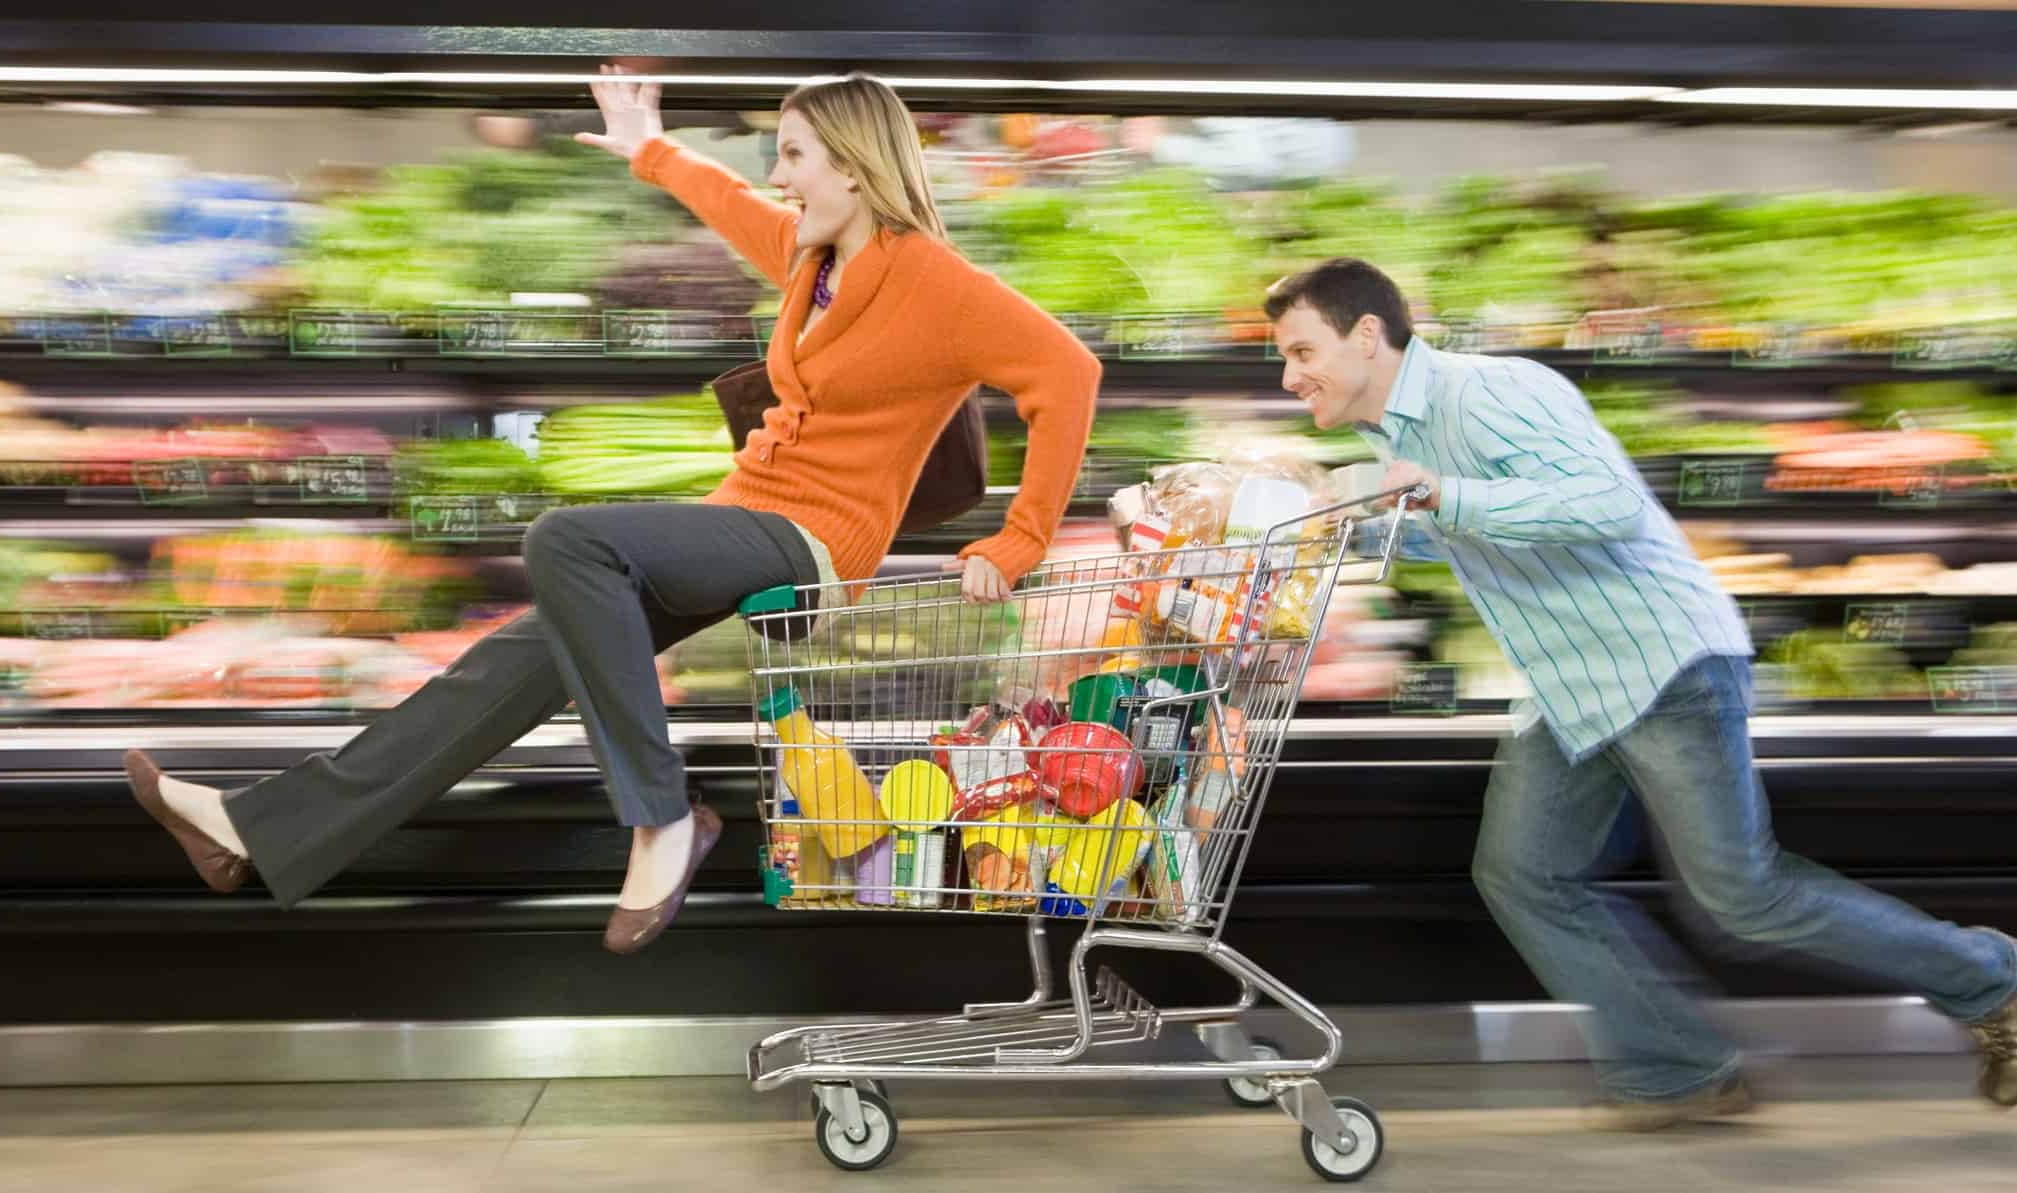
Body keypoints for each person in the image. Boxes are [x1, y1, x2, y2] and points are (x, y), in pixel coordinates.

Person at [124, 68, 1100, 956]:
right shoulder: (815, 262)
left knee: (569, 537)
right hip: (746, 514)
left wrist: (1021, 539)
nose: (779, 171)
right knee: (508, 662)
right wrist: (648, 145)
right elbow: (732, 206)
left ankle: (666, 814)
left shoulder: (932, 277)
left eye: (795, 153)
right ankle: (258, 829)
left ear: (853, 166)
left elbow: (1069, 370)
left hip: (815, 541)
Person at [1265, 257, 2017, 1129]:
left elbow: (1610, 503)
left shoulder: (1490, 390)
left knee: (1743, 896)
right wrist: (1349, 522)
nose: (1289, 377)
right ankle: (1677, 1068)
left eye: (1299, 349)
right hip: (1573, 687)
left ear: (1365, 335)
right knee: (1525, 874)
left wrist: (1440, 490)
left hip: (1659, 665)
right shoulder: (1393, 436)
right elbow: (1482, 533)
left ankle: (1992, 982)